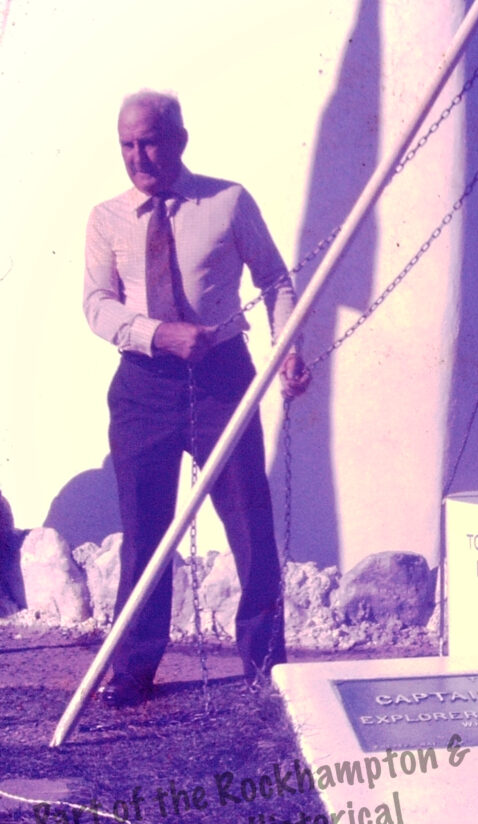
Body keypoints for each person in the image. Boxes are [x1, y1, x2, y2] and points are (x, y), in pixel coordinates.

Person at [84, 90, 311, 706]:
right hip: (142, 388)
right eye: (127, 145)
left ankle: (266, 668)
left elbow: (275, 279)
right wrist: (159, 334)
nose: (139, 156)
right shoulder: (106, 218)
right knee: (144, 533)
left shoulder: (228, 201)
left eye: (151, 141)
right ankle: (133, 671)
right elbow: (97, 306)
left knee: (249, 523)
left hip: (221, 382)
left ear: (180, 138)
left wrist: (288, 347)